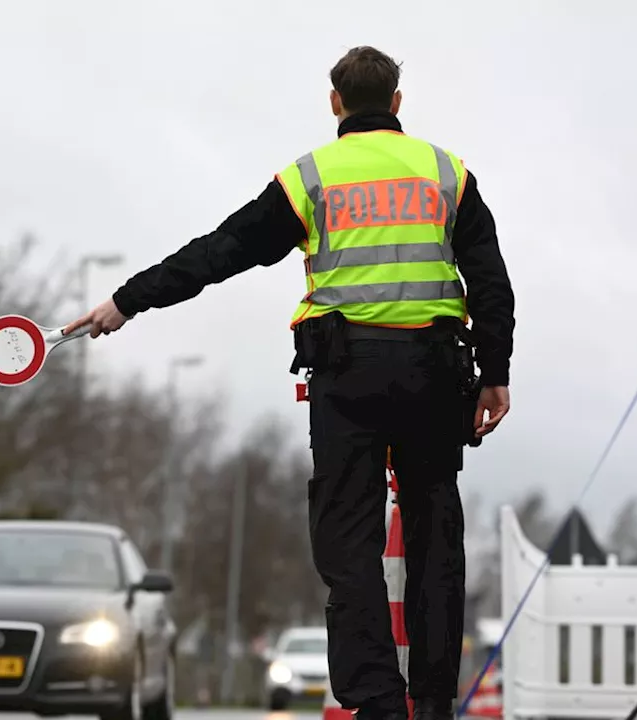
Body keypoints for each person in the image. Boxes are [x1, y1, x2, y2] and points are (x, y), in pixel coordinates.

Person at [65, 46, 515, 720]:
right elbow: (490, 282)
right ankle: (431, 700)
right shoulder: (447, 173)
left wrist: (128, 300)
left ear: (335, 102)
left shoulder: (311, 178)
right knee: (433, 537)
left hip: (348, 377)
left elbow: (221, 251)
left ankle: (378, 702)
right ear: (397, 103)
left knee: (349, 542)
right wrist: (495, 374)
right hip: (434, 376)